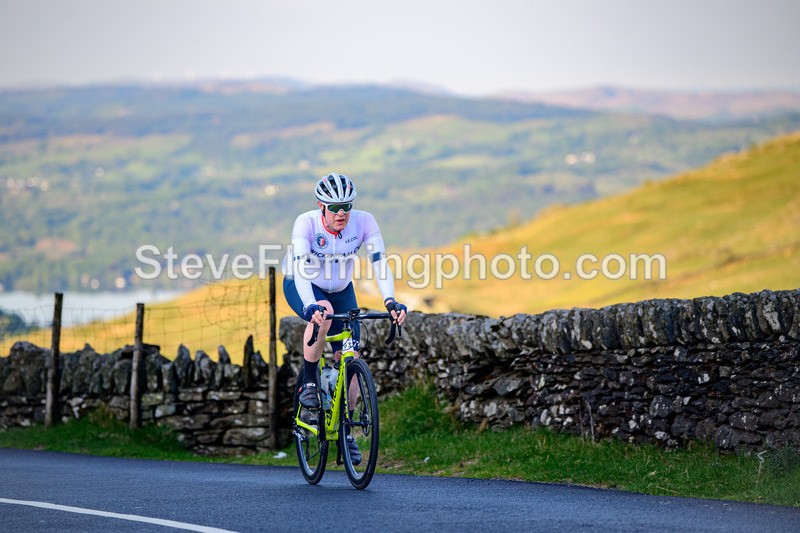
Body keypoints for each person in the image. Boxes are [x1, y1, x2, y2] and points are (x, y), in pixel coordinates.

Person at [282, 173, 407, 463]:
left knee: (350, 356)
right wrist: (311, 305)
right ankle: (310, 383)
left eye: (346, 206)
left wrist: (389, 299)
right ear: (321, 205)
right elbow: (300, 270)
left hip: (341, 290)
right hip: (303, 284)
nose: (341, 213)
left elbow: (379, 262)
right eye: (334, 207)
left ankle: (346, 431)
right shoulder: (306, 223)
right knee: (323, 312)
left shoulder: (365, 221)